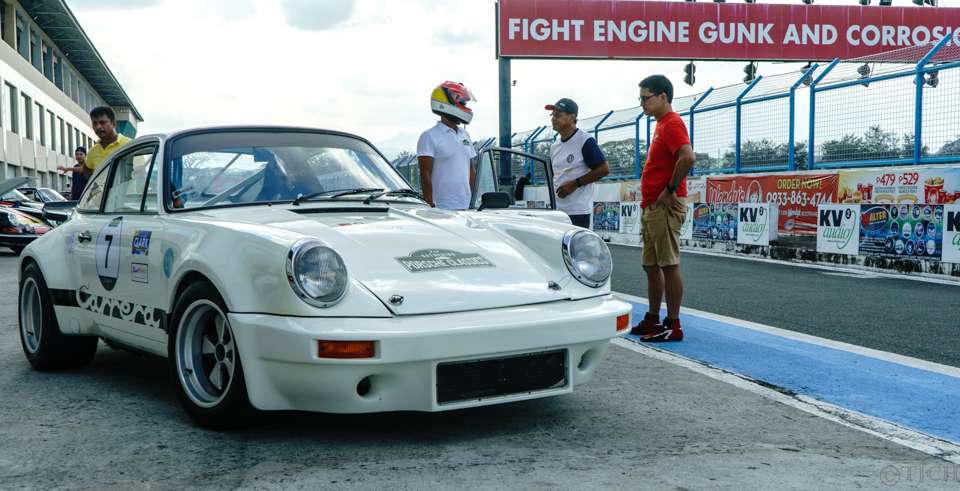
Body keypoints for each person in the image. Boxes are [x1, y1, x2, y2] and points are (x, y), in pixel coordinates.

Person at [630, 75, 696, 342]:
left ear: (663, 97)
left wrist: (669, 190)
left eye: (646, 98)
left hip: (664, 206)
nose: (642, 104)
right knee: (651, 265)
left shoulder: (672, 124)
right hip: (652, 206)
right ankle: (654, 317)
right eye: (641, 99)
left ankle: (673, 323)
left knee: (668, 265)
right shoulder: (660, 125)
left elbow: (688, 157)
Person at [545, 98, 609, 228]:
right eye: (552, 115)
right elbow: (555, 176)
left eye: (558, 114)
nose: (553, 118)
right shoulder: (554, 146)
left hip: (578, 211)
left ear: (572, 117)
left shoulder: (584, 140)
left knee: (576, 248)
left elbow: (604, 169)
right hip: (558, 211)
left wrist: (575, 184)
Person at [417, 81, 477, 210]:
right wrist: (429, 203)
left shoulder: (465, 135)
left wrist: (474, 200)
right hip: (441, 208)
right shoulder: (429, 136)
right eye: (462, 103)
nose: (464, 106)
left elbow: (471, 171)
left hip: (467, 207)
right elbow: (425, 173)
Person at [85, 106, 131, 178]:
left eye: (102, 122)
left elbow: (140, 174)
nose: (98, 127)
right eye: (95, 123)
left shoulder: (129, 145)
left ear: (113, 124)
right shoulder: (92, 151)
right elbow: (87, 168)